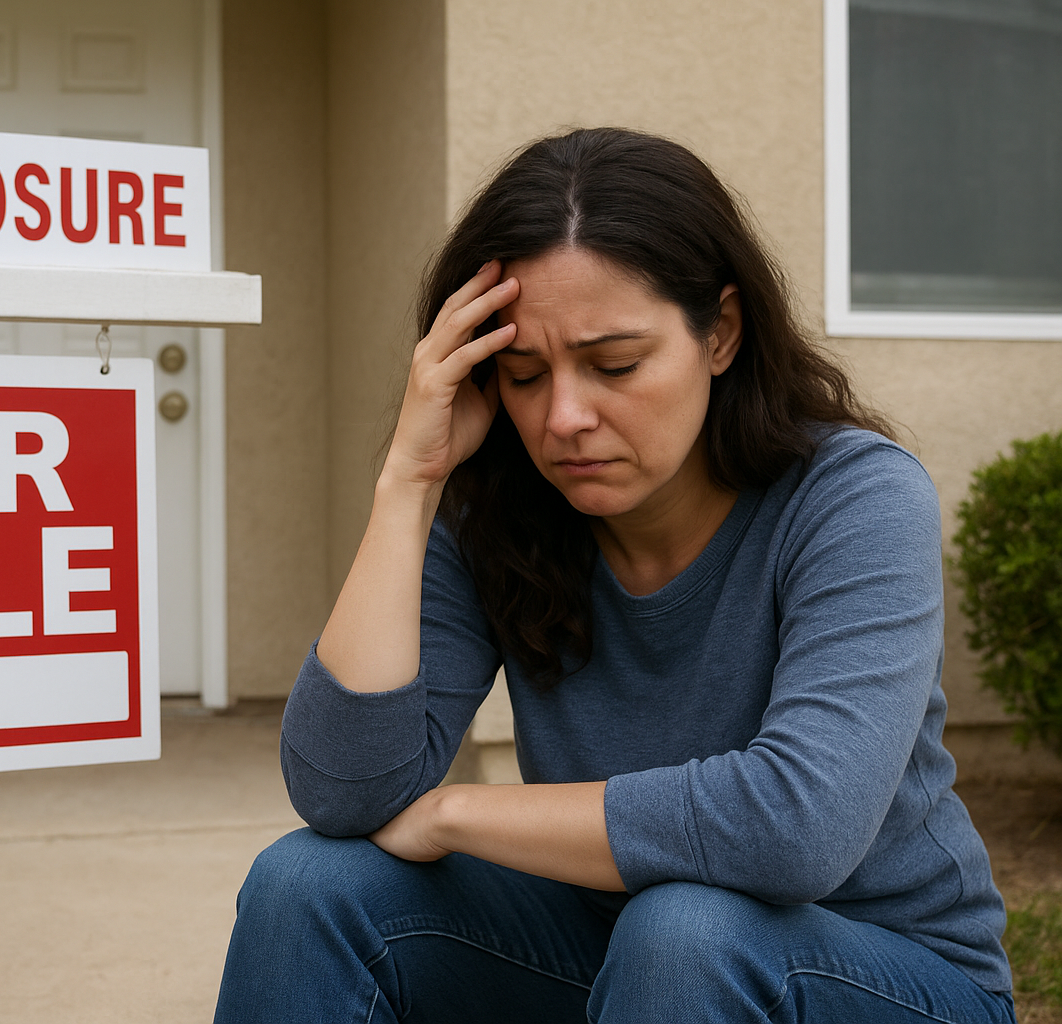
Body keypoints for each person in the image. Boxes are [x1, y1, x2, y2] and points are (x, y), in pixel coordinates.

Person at [212, 128, 1015, 1023]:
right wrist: (410, 482)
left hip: (887, 975)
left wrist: (454, 814)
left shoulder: (855, 498)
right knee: (307, 884)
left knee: (686, 932)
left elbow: (798, 828)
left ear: (721, 333)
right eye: (523, 375)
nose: (564, 418)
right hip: (626, 952)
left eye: (615, 365)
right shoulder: (502, 514)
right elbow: (342, 792)